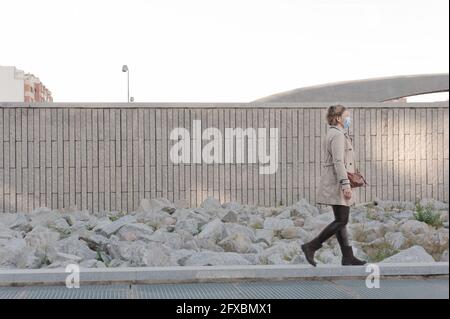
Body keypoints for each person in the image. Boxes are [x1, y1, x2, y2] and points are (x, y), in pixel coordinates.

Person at [301, 105, 366, 266]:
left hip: (335, 181)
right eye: (346, 116)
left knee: (340, 220)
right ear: (338, 118)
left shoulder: (336, 133)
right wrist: (345, 185)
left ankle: (347, 256)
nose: (349, 119)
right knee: (342, 220)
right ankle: (311, 246)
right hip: (338, 183)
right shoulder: (337, 135)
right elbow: (338, 161)